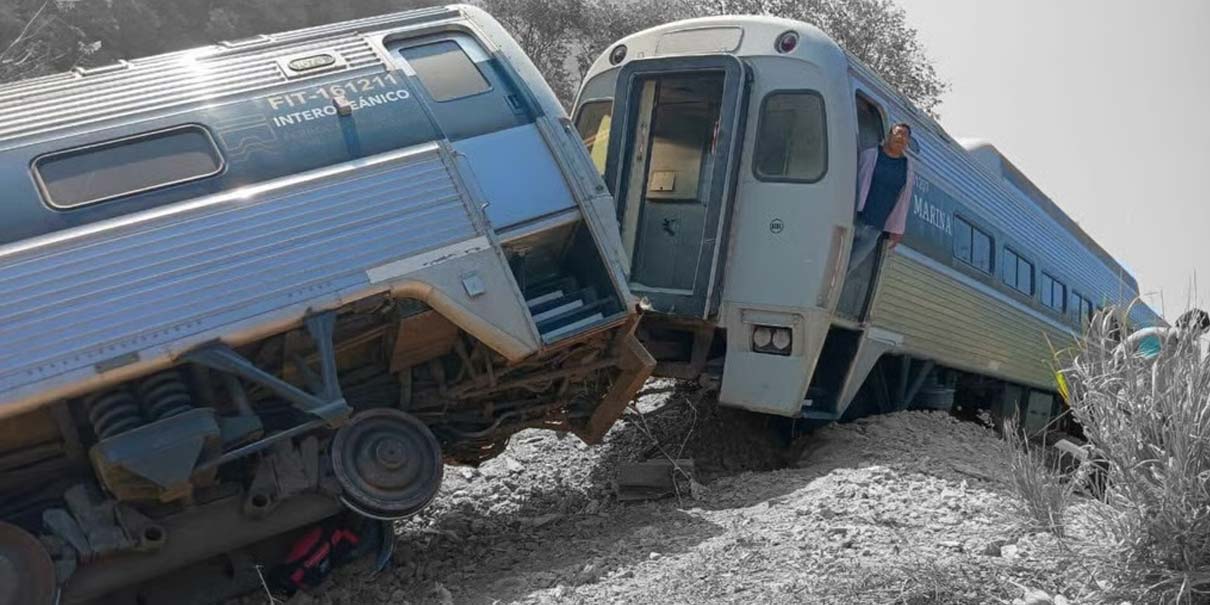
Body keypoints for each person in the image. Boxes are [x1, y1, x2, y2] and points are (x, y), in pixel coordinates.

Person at [847, 123, 917, 277]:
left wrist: (897, 230)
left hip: (874, 228)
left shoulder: (907, 168)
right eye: (898, 133)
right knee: (835, 259)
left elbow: (903, 201)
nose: (900, 137)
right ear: (889, 135)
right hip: (853, 217)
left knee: (849, 266)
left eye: (905, 135)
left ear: (908, 141)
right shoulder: (869, 155)